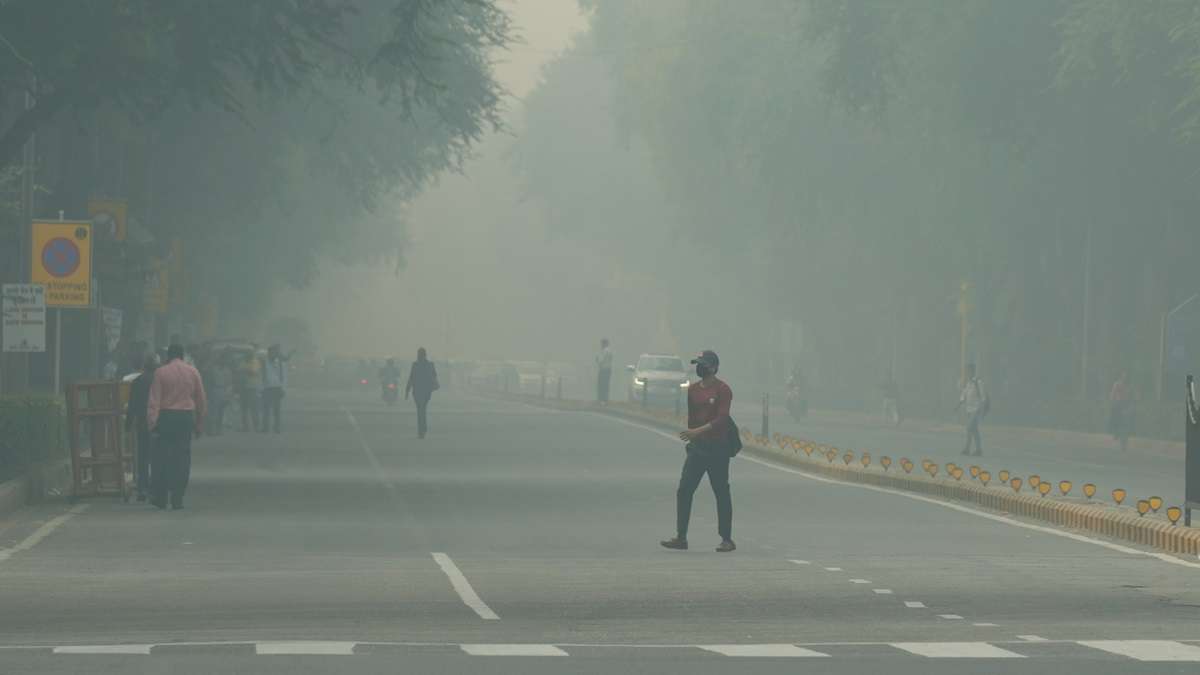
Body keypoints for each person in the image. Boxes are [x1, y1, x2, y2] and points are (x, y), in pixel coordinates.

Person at [661, 350, 736, 553]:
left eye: (703, 364)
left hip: (718, 448)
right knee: (684, 489)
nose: (699, 368)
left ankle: (726, 539)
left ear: (713, 367)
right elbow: (692, 419)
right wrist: (693, 440)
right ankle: (681, 537)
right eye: (697, 364)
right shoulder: (692, 390)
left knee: (721, 492)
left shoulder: (723, 390)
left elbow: (722, 420)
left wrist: (697, 432)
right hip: (698, 449)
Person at [147, 344, 207, 510]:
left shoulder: (160, 372)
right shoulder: (193, 371)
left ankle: (161, 497)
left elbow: (154, 401)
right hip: (185, 418)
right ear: (182, 355)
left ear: (168, 355)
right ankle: (177, 498)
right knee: (182, 458)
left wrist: (152, 424)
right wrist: (199, 423)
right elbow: (201, 400)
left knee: (162, 458)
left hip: (166, 418)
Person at [125, 353, 158, 502]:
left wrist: (128, 424)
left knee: (142, 457)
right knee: (157, 456)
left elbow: (132, 405)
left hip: (142, 423)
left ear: (144, 366)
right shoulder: (160, 381)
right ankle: (156, 487)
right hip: (158, 423)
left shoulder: (138, 382)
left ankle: (142, 489)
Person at [405, 347, 439, 439]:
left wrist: (407, 390)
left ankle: (421, 430)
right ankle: (423, 429)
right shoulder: (430, 365)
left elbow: (411, 378)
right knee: (422, 409)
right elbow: (434, 376)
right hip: (427, 391)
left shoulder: (415, 365)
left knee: (420, 410)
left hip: (417, 391)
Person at [957, 363, 988, 457]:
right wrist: (959, 404)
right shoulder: (968, 383)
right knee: (974, 430)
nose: (966, 373)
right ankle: (979, 450)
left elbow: (983, 397)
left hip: (976, 409)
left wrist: (982, 411)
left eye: (968, 371)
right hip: (969, 409)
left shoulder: (978, 382)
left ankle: (967, 448)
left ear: (972, 371)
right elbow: (964, 395)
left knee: (969, 427)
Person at [261, 344, 287, 433]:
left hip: (277, 388)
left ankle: (277, 428)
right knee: (266, 409)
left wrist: (283, 388)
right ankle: (266, 427)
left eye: (276, 352)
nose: (274, 354)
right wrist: (261, 388)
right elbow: (262, 375)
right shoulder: (264, 362)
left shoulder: (280, 363)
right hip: (267, 388)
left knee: (276, 410)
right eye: (272, 352)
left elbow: (283, 376)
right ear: (269, 353)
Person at [234, 351, 261, 432]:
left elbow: (254, 372)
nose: (247, 356)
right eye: (246, 354)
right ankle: (245, 426)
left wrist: (244, 370)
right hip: (243, 388)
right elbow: (238, 371)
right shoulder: (243, 362)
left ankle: (256, 426)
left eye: (249, 355)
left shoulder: (255, 362)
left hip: (251, 387)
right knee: (244, 408)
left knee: (253, 408)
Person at [1109, 371, 1135, 451]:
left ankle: (1124, 441)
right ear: (1121, 377)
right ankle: (1115, 431)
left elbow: (1132, 397)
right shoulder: (1117, 384)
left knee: (1129, 422)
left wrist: (1131, 406)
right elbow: (1112, 395)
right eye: (1124, 376)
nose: (1125, 378)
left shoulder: (1130, 386)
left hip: (1126, 405)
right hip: (1118, 405)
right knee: (1114, 418)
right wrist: (1113, 401)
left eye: (1127, 377)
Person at [595, 338, 613, 404]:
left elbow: (601, 360)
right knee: (606, 385)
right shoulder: (610, 351)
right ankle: (605, 399)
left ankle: (601, 399)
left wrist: (597, 360)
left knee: (601, 384)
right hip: (609, 369)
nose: (601, 345)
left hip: (603, 369)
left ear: (604, 344)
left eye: (602, 343)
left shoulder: (604, 351)